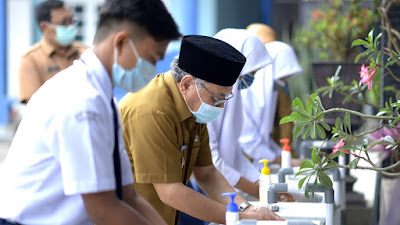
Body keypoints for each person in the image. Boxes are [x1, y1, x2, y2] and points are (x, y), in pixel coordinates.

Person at [0, 0, 181, 224]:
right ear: (121, 42)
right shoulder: (82, 101)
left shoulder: (102, 97)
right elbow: (104, 210)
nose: (152, 70)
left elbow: (128, 196)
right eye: (151, 59)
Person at [118, 35, 283, 225]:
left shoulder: (192, 107)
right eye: (216, 98)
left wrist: (246, 208)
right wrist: (237, 216)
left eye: (225, 99)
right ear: (186, 84)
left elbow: (207, 173)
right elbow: (170, 192)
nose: (219, 108)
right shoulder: (152, 111)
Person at [206, 28, 272, 200]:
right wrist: (257, 191)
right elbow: (213, 161)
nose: (251, 79)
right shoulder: (207, 102)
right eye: (250, 73)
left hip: (224, 184)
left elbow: (234, 154)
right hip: (207, 185)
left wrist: (261, 184)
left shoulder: (232, 102)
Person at [240, 23, 303, 170]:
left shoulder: (272, 91)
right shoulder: (247, 92)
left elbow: (265, 137)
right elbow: (248, 140)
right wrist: (281, 159)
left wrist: (285, 157)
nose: (286, 80)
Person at [18, 0, 87, 104]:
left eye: (71, 21)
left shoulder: (85, 53)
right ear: (44, 27)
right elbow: (34, 106)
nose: (70, 26)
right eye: (63, 23)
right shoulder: (31, 59)